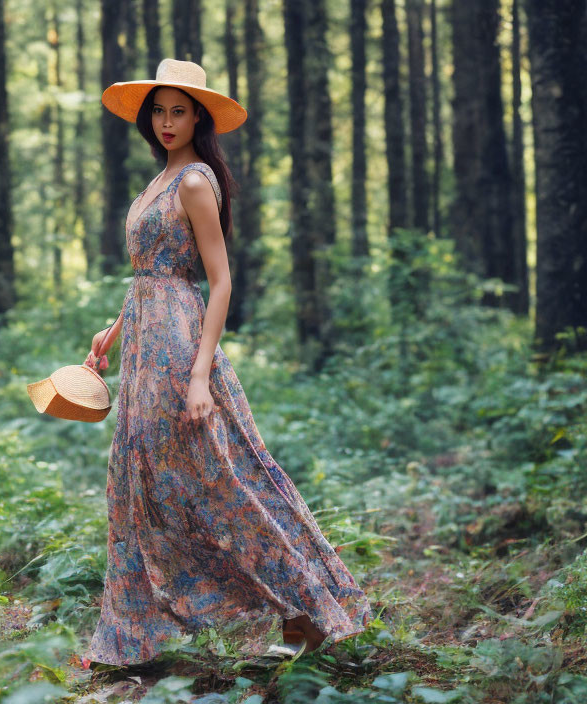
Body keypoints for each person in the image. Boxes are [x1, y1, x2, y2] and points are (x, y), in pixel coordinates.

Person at [83, 58, 372, 667]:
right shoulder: (155, 183)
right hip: (142, 348)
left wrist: (198, 375)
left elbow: (218, 283)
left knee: (222, 480)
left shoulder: (192, 181)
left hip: (183, 350)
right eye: (158, 110)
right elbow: (151, 278)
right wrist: (111, 332)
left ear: (198, 118)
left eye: (179, 111)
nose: (166, 121)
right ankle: (138, 637)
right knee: (141, 484)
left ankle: (308, 612)